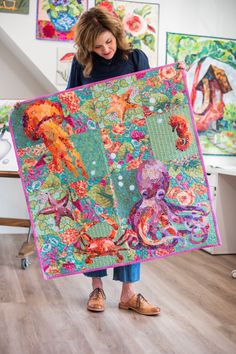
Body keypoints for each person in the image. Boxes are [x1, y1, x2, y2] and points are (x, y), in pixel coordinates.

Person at [67, 6, 160, 316]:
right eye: (97, 46)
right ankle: (96, 289)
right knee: (97, 213)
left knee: (132, 214)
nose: (105, 50)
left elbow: (151, 97)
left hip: (129, 147)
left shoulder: (135, 58)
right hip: (93, 146)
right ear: (87, 47)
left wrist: (174, 78)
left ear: (116, 35)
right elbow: (70, 101)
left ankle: (129, 292)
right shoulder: (83, 64)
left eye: (108, 41)